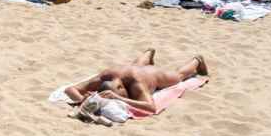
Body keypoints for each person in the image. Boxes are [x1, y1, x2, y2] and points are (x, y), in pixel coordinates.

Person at [63, 49, 208, 113]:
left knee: (178, 76)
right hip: (132, 68)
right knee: (136, 66)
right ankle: (148, 54)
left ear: (121, 89)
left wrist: (118, 98)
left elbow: (151, 107)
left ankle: (197, 61)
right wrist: (82, 100)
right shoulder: (104, 78)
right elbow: (70, 89)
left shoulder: (136, 85)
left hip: (151, 75)